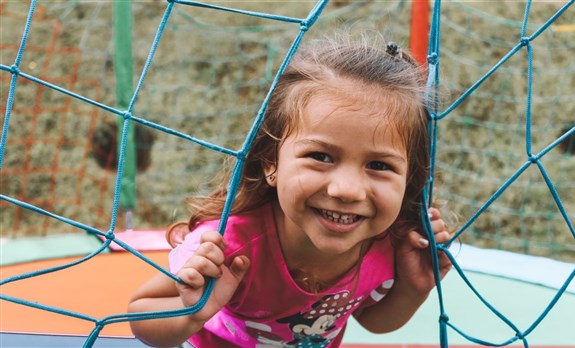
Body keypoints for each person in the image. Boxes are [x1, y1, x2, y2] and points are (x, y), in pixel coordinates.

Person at [128, 34, 453, 348]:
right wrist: (191, 313)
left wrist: (412, 289)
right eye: (321, 157)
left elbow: (372, 321)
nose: (347, 190)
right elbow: (141, 316)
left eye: (379, 165)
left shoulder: (390, 241)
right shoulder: (228, 245)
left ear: (409, 179)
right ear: (271, 162)